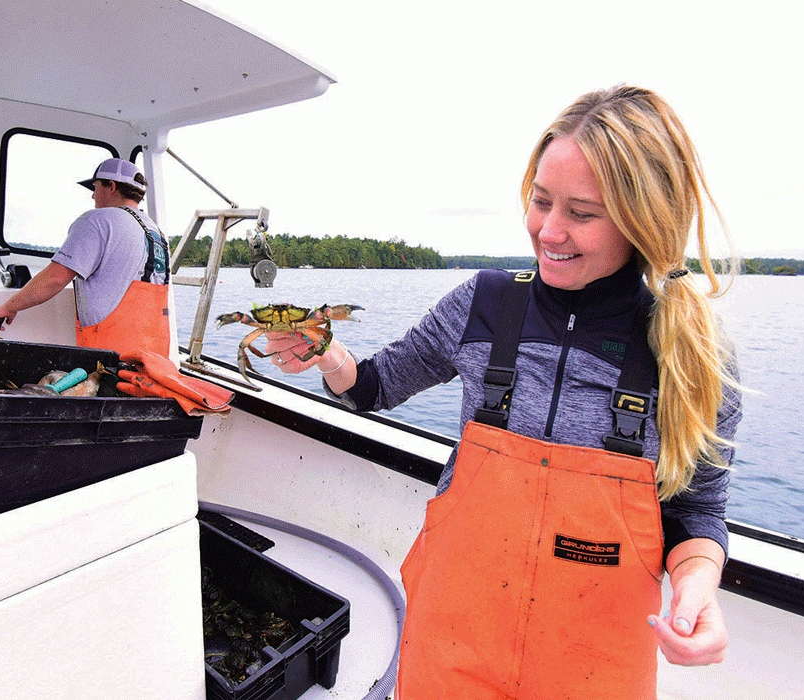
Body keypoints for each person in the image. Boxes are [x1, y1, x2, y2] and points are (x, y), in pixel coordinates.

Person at [265, 85, 741, 699]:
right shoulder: (483, 304)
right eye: (540, 202)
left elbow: (697, 511)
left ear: (644, 221)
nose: (549, 230)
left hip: (594, 663)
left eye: (582, 213)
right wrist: (328, 354)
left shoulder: (690, 351)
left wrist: (698, 587)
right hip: (452, 640)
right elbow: (375, 386)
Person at [0, 158, 171, 356]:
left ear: (112, 187)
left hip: (111, 355)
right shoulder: (156, 232)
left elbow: (55, 278)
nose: (93, 196)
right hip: (154, 355)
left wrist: (9, 307)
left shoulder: (97, 220)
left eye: (95, 187)